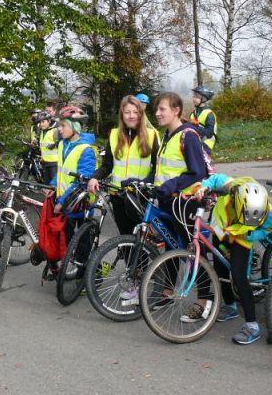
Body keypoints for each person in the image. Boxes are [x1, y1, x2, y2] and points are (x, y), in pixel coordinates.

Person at [189, 175, 272, 345]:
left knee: (238, 274)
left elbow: (268, 228)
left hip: (242, 236)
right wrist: (203, 187)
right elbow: (214, 179)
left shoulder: (266, 208)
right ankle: (230, 307)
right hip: (220, 230)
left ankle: (252, 325)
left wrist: (247, 234)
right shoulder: (230, 186)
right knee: (220, 269)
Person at [153, 92, 208, 314]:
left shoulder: (188, 135)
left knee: (194, 251)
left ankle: (205, 300)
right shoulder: (167, 135)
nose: (157, 113)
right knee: (170, 246)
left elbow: (198, 171)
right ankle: (167, 291)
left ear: (176, 111)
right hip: (168, 201)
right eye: (156, 109)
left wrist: (172, 185)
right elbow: (163, 169)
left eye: (162, 109)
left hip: (186, 202)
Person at [88, 95, 158, 235]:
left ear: (140, 114)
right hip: (117, 195)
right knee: (125, 238)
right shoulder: (114, 135)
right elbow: (107, 165)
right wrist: (95, 177)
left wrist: (143, 184)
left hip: (140, 196)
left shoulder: (152, 135)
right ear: (122, 114)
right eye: (127, 112)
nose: (131, 116)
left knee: (140, 242)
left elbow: (158, 169)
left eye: (135, 112)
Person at [49, 106, 97, 274]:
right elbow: (62, 170)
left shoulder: (86, 150)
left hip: (80, 203)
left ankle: (85, 277)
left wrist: (61, 202)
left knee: (83, 243)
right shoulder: (64, 144)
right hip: (66, 201)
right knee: (68, 240)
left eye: (63, 126)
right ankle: (71, 268)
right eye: (59, 126)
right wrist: (52, 185)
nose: (59, 129)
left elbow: (81, 182)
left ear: (75, 127)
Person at [189, 86, 218, 152]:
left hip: (206, 145)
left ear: (204, 98)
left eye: (196, 97)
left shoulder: (209, 114)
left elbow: (209, 133)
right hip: (196, 144)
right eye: (193, 96)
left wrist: (193, 128)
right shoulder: (194, 113)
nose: (194, 98)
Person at [36, 111, 58, 184]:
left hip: (54, 163)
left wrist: (55, 144)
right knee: (46, 185)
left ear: (49, 121)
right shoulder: (42, 132)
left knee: (54, 185)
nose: (41, 124)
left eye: (43, 122)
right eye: (40, 122)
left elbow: (62, 143)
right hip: (45, 162)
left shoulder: (55, 131)